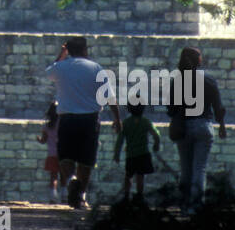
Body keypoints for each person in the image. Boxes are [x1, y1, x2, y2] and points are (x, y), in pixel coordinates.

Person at [46, 36, 122, 209]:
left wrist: (61, 54)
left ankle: (72, 180)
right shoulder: (95, 68)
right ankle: (81, 195)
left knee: (66, 156)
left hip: (67, 119)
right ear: (85, 50)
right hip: (89, 119)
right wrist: (117, 119)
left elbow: (49, 72)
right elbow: (110, 97)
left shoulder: (61, 67)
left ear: (69, 50)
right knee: (86, 159)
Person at [167, 46, 226, 214]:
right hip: (203, 126)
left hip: (183, 127)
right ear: (197, 60)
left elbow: (171, 110)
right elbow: (218, 108)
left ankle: (184, 204)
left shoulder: (177, 81)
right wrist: (222, 126)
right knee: (199, 168)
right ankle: (196, 206)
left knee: (185, 168)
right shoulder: (208, 80)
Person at [114, 101, 161, 204]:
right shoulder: (146, 122)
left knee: (128, 175)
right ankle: (139, 195)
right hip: (143, 153)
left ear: (129, 109)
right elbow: (156, 134)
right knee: (140, 176)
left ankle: (126, 195)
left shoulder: (126, 123)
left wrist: (116, 154)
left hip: (131, 155)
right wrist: (156, 144)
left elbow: (120, 140)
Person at [36, 101, 66, 203]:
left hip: (52, 155)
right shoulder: (63, 123)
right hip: (63, 153)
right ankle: (64, 196)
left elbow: (43, 140)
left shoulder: (47, 126)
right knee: (63, 176)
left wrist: (39, 139)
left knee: (53, 177)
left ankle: (53, 197)